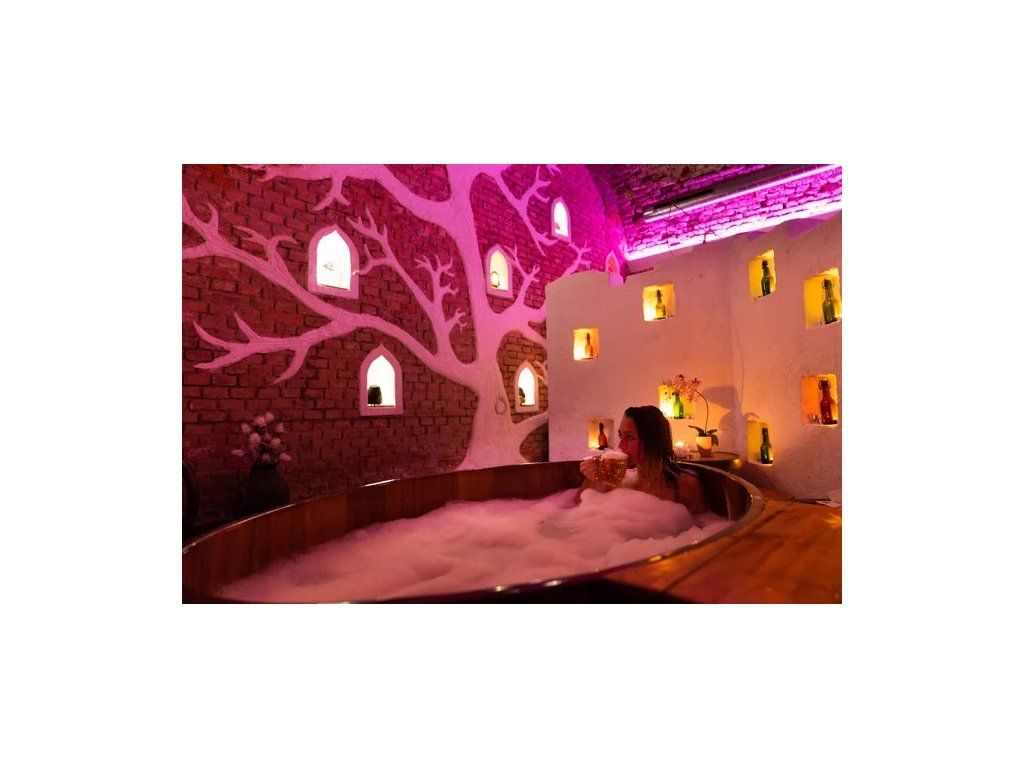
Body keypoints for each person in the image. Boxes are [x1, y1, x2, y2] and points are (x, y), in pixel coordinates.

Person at [576, 405, 708, 514]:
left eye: (630, 437)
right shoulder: (614, 479)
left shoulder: (684, 486)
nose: (621, 445)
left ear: (653, 442)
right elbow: (577, 508)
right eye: (621, 436)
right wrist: (593, 480)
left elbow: (702, 526)